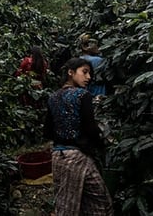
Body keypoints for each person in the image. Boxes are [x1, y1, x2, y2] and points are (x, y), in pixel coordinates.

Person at [44, 57, 113, 215]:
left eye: (90, 73)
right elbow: (90, 128)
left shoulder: (53, 97)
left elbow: (47, 131)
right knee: (71, 208)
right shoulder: (83, 95)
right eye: (85, 72)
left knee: (97, 198)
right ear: (70, 72)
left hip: (62, 155)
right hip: (74, 156)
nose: (88, 77)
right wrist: (100, 143)